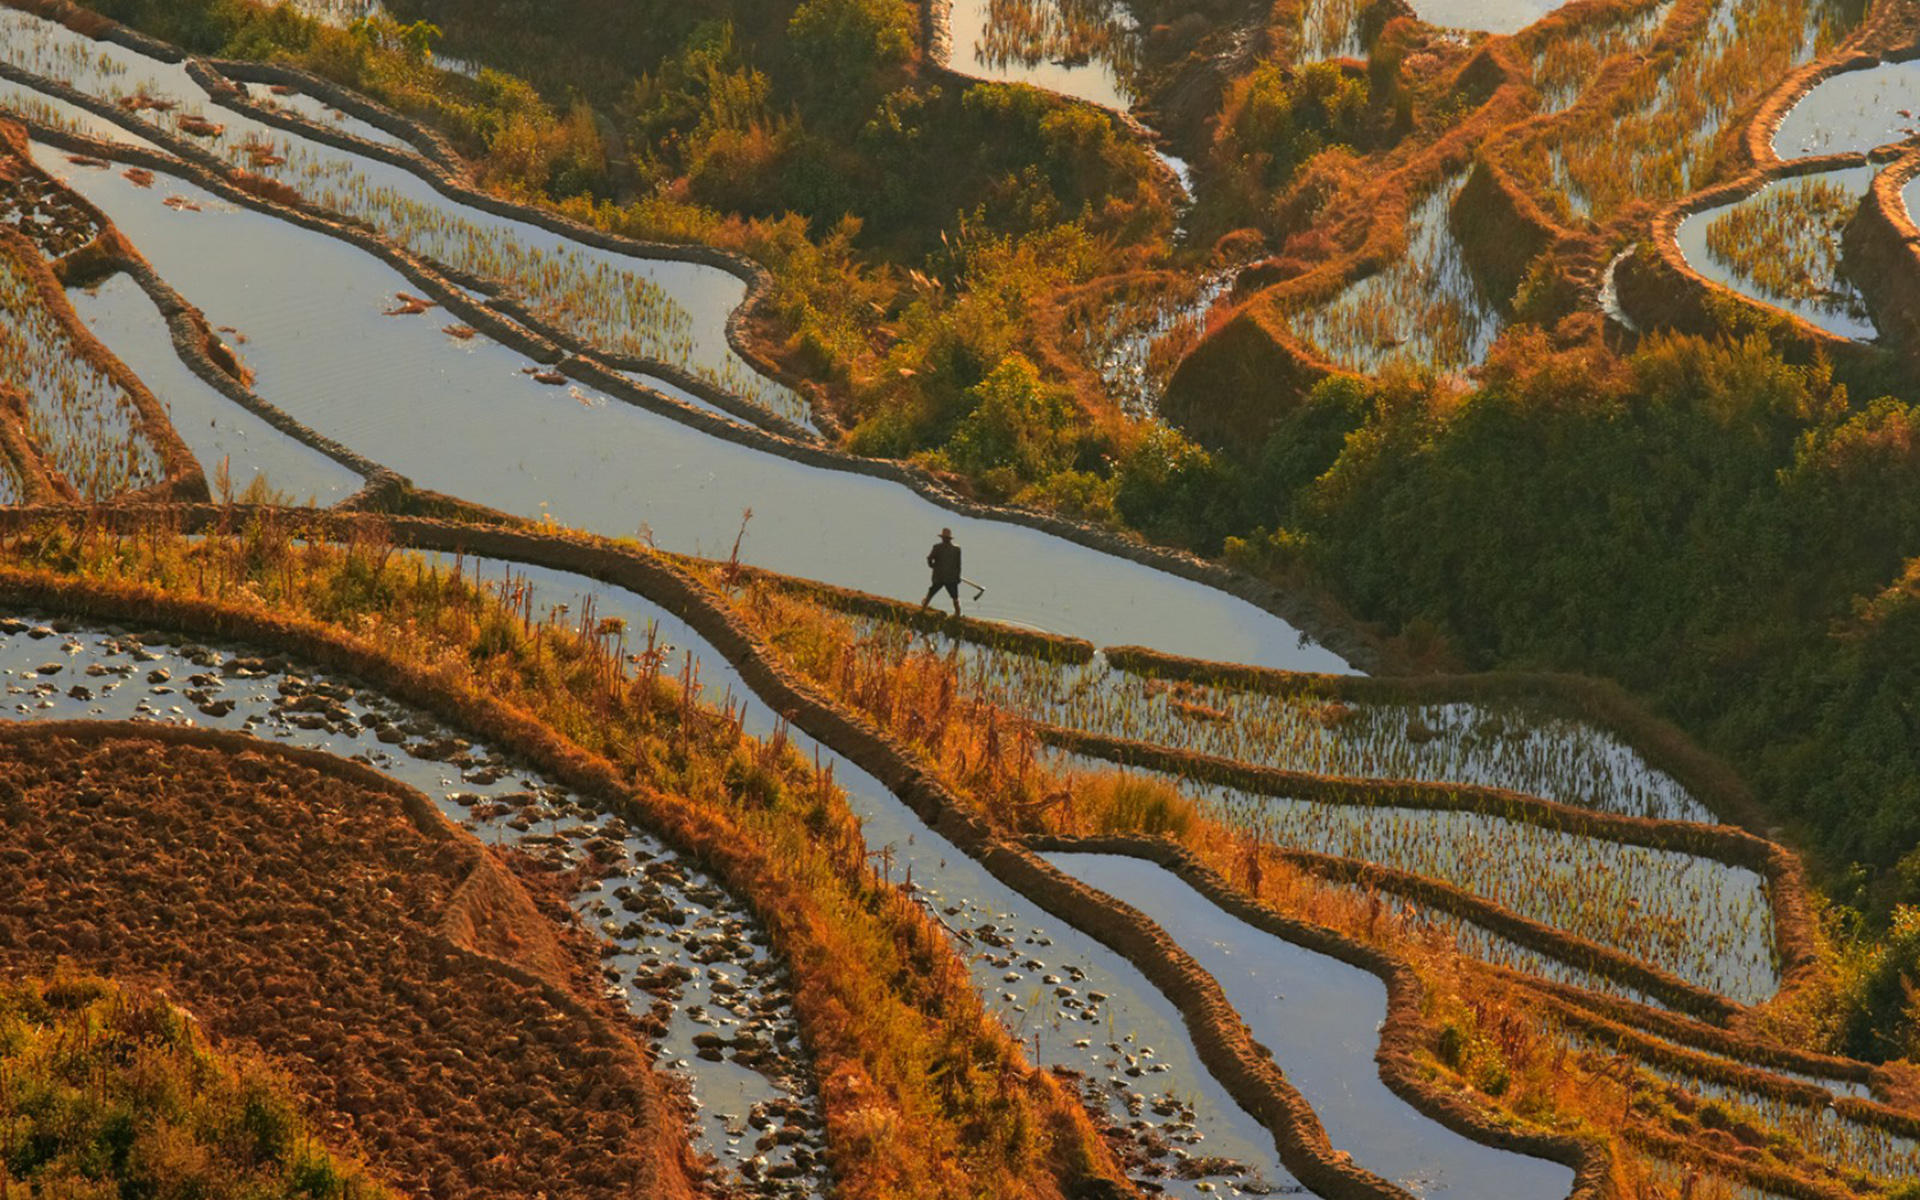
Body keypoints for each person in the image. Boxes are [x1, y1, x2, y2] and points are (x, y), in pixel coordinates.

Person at [921, 527, 962, 617]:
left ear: (943, 538)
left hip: (939, 576)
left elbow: (929, 559)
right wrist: (957, 577)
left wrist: (932, 566)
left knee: (931, 592)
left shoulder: (937, 548)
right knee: (955, 596)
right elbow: (958, 565)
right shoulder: (956, 549)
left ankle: (923, 609)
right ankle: (957, 613)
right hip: (951, 577)